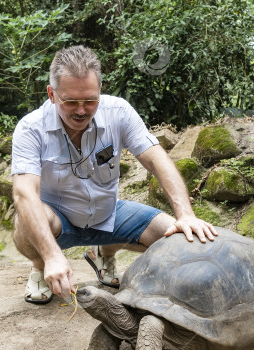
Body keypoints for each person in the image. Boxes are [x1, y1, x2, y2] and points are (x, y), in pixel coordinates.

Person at [11, 45, 217, 304]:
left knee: (177, 236)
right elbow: (24, 192)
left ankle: (103, 253)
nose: (82, 110)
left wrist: (185, 214)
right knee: (24, 222)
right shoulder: (31, 128)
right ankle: (40, 266)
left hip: (108, 212)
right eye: (71, 101)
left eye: (90, 100)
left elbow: (156, 158)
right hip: (58, 220)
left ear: (100, 92)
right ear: (52, 95)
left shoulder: (118, 112)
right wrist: (52, 255)